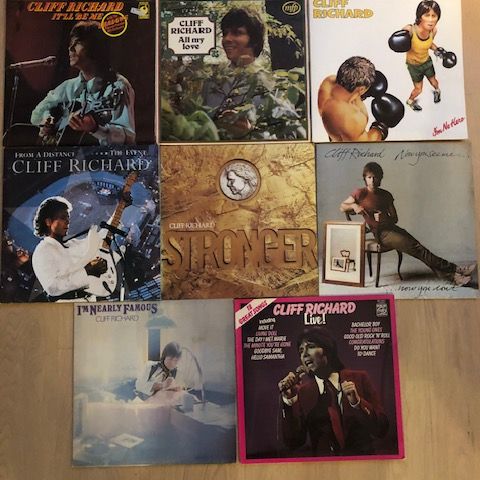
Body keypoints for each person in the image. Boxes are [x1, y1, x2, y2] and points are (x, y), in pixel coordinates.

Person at [340, 162, 476, 286]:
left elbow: (395, 218)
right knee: (418, 249)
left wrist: (384, 218)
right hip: (381, 235)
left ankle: (453, 274)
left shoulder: (386, 195)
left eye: (376, 177)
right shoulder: (360, 193)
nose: (373, 180)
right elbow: (342, 207)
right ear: (365, 178)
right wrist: (354, 205)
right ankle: (455, 272)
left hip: (392, 229)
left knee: (419, 249)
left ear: (380, 178)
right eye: (369, 177)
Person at [278, 327, 388, 455]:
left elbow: (382, 429)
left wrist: (357, 403)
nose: (304, 354)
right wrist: (289, 401)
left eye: (311, 346)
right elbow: (293, 442)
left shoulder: (359, 378)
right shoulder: (303, 392)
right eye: (301, 350)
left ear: (328, 349)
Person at [31, 20, 135, 145]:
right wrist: (47, 119)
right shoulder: (68, 86)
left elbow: (128, 138)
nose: (70, 48)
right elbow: (36, 114)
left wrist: (95, 128)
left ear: (95, 48)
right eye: (70, 44)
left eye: (77, 43)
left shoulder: (118, 86)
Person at [202, 7, 266, 138]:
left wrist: (251, 131)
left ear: (254, 40)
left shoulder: (270, 85)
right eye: (225, 33)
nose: (227, 39)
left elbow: (288, 136)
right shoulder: (212, 81)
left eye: (237, 33)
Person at [31, 196, 108, 301]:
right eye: (63, 217)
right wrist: (87, 271)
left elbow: (102, 238)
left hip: (89, 302)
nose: (67, 221)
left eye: (68, 218)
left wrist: (121, 208)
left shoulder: (73, 244)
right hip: (66, 307)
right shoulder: (42, 251)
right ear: (48, 222)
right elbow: (52, 288)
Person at [317, 56, 404, 142]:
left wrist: (361, 95)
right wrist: (381, 127)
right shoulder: (353, 119)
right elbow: (366, 144)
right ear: (361, 89)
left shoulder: (328, 82)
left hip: (337, 129)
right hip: (345, 146)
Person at [389, 1, 446, 111]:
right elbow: (401, 40)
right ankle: (410, 101)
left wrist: (438, 50)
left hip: (427, 62)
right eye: (427, 15)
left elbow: (429, 44)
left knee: (434, 82)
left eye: (434, 16)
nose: (431, 20)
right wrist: (400, 37)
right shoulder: (410, 30)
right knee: (418, 89)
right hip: (414, 66)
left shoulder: (433, 31)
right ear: (420, 16)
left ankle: (437, 91)